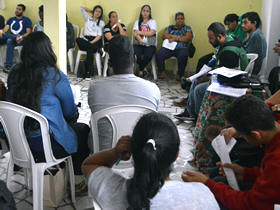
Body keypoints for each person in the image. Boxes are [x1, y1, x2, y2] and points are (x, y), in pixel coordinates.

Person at [82, 112, 220, 210]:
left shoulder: (111, 190)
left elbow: (89, 164)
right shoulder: (203, 196)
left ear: (133, 151)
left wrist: (115, 152)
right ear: (176, 155)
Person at [7, 31, 89, 175]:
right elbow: (69, 111)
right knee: (82, 129)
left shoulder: (14, 72)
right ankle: (75, 179)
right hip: (45, 145)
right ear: (47, 51)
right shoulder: (54, 75)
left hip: (18, 141)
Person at [182, 94, 280, 210]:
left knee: (214, 197)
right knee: (218, 179)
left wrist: (208, 184)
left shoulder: (276, 159)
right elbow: (269, 176)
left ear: (256, 135)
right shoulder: (273, 135)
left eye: (243, 136)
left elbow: (251, 204)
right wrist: (245, 173)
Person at [87, 35, 160, 153]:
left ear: (109, 63)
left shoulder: (95, 88)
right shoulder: (153, 89)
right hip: (139, 157)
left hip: (103, 156)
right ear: (135, 59)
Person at [175, 22, 248, 121]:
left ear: (220, 37)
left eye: (211, 38)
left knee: (199, 89)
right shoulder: (229, 38)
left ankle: (199, 118)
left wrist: (208, 78)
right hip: (227, 76)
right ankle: (190, 111)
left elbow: (226, 76)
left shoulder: (229, 52)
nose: (209, 41)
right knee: (195, 81)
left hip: (233, 81)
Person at [157, 12, 193, 81]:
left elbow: (188, 38)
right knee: (159, 54)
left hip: (181, 48)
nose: (180, 20)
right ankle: (162, 72)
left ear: (184, 19)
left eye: (181, 18)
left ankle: (180, 74)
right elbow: (164, 36)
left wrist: (176, 38)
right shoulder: (170, 27)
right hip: (169, 48)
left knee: (183, 55)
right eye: (178, 19)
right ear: (175, 20)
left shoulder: (187, 28)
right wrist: (173, 36)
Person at [0, 4, 32, 73]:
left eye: (19, 9)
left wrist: (21, 36)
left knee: (9, 40)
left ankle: (8, 66)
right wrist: (1, 31)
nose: (17, 10)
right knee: (7, 37)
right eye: (16, 9)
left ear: (23, 11)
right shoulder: (11, 19)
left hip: (22, 39)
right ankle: (15, 37)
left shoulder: (27, 20)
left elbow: (28, 32)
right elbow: (5, 29)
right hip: (12, 38)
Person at [76, 5, 104, 77]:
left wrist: (91, 42)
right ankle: (99, 50)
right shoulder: (88, 19)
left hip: (95, 40)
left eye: (99, 12)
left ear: (101, 14)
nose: (97, 13)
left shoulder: (101, 22)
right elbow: (81, 8)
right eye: (96, 11)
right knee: (78, 39)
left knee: (90, 48)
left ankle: (89, 72)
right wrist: (91, 11)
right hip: (86, 41)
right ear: (93, 11)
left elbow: (99, 36)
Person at [133, 5, 157, 77]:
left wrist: (139, 32)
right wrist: (140, 40)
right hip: (138, 44)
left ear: (149, 13)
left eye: (147, 11)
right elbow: (135, 33)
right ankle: (143, 69)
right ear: (141, 12)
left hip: (150, 44)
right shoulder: (137, 22)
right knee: (137, 56)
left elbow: (151, 33)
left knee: (147, 56)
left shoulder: (153, 21)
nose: (145, 13)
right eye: (144, 10)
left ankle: (140, 69)